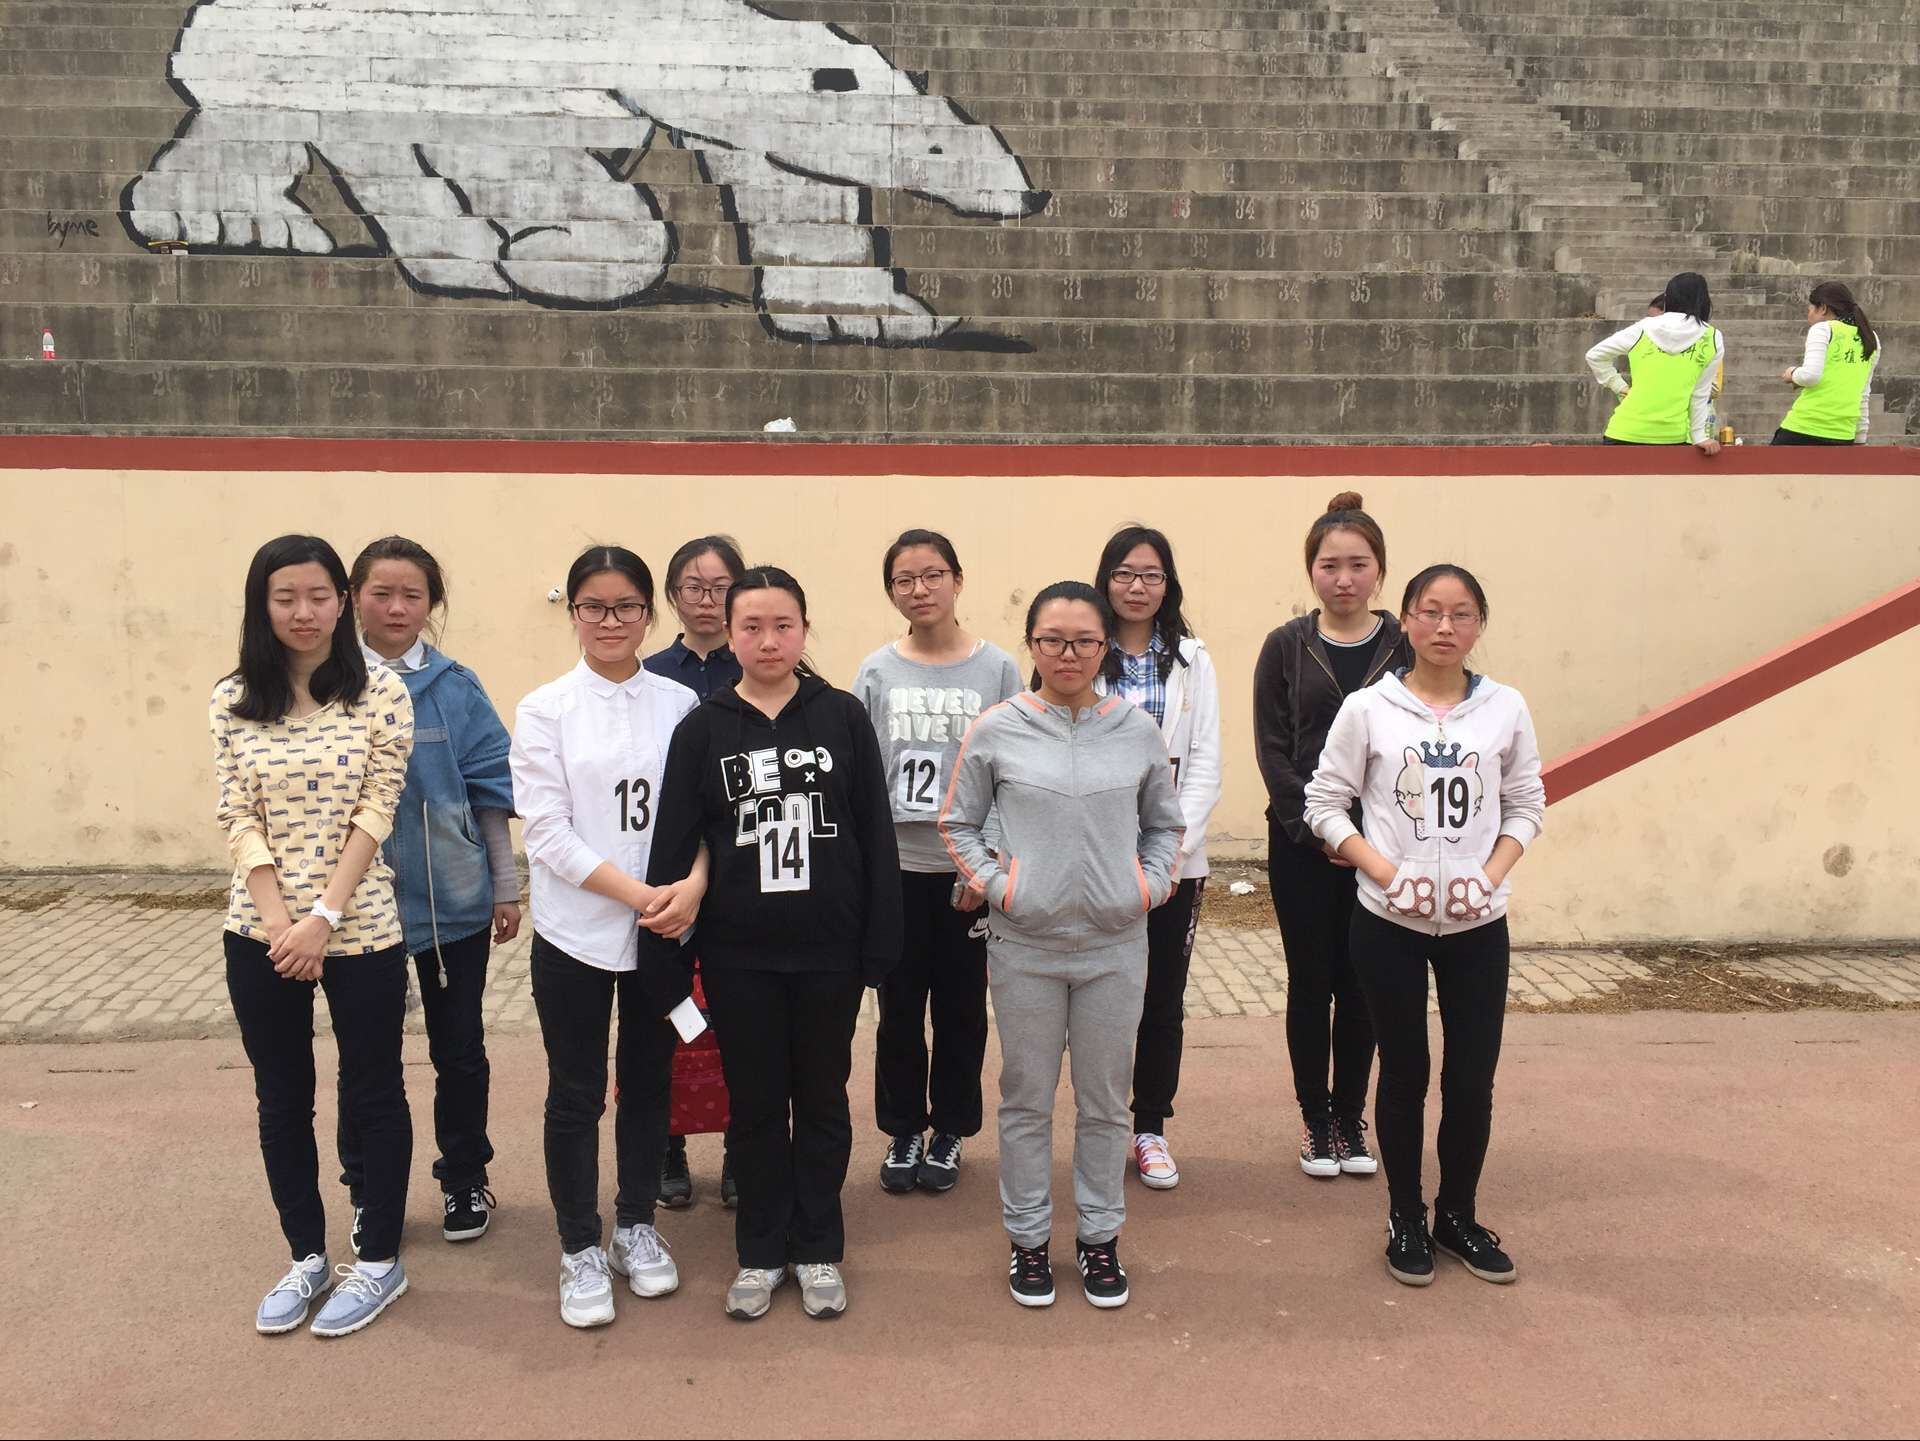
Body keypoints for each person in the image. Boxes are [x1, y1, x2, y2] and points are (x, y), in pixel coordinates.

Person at [644, 566, 903, 1322]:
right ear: (729, 634)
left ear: (804, 630)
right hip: (739, 957)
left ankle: (818, 1247)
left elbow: (874, 834)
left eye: (782, 625)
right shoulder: (703, 728)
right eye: (751, 626)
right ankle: (759, 1251)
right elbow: (677, 842)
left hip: (829, 952)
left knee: (822, 1100)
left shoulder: (842, 716)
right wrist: (670, 958)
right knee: (755, 1107)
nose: (767, 640)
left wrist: (879, 945)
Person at [940, 582, 1185, 1311]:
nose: (1068, 654)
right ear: (1033, 645)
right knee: (1026, 1098)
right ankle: (1028, 1239)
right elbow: (959, 823)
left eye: (1084, 641)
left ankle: (1100, 1237)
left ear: (1106, 646)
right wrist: (1001, 886)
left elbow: (1164, 826)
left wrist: (1146, 887)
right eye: (1052, 640)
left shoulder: (1136, 729)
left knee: (1106, 1102)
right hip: (1024, 946)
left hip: (1116, 946)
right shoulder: (998, 728)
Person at [1304, 565, 1545, 1289]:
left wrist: (1489, 874)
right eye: (1431, 611)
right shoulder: (1368, 708)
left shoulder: (1505, 708)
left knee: (1472, 1077)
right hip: (1388, 922)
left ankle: (1457, 1216)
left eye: (1461, 613)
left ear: (1479, 625)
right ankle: (1405, 1216)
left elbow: (1527, 803)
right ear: (1404, 619)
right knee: (1405, 1072)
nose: (1445, 626)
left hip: (1478, 925)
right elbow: (1324, 802)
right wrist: (1383, 870)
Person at [212, 534, 415, 1338]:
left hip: (360, 925)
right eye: (285, 597)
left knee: (374, 1090)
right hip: (259, 932)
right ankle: (306, 1255)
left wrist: (322, 917)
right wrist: (278, 924)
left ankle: (379, 1260)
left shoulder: (382, 693)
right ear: (262, 605)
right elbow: (237, 813)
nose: (304, 611)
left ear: (342, 601)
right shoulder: (233, 698)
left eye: (319, 595)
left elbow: (377, 808)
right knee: (282, 1095)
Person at [510, 545, 710, 1329]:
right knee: (576, 1091)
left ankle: (635, 1225)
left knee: (649, 1080)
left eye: (626, 605)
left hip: (665, 929)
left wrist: (694, 885)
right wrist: (637, 894)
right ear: (573, 614)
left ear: (648, 613)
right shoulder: (545, 708)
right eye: (594, 606)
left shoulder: (680, 705)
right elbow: (547, 833)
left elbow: (705, 814)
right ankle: (578, 1244)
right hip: (577, 934)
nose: (611, 620)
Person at [341, 536, 517, 1250]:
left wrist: (504, 884)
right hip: (359, 909)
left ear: (431, 603)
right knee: (366, 1059)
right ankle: (369, 1191)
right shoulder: (326, 683)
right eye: (381, 593)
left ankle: (464, 1176)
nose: (396, 607)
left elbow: (490, 789)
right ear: (354, 599)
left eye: (412, 595)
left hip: (455, 904)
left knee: (460, 1050)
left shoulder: (456, 687)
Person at [855, 530, 1022, 1196]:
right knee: (897, 1010)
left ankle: (951, 1128)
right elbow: (861, 776)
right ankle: (903, 1129)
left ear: (957, 579)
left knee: (961, 1010)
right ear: (890, 590)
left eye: (932, 574)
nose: (919, 589)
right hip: (896, 870)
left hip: (966, 873)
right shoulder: (875, 671)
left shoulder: (997, 669)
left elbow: (1013, 772)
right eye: (904, 579)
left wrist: (985, 864)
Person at [1253, 494, 1409, 1181]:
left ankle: (1351, 1116)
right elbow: (1273, 748)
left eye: (1358, 564)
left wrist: (1367, 836)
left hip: (1382, 846)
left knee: (1364, 981)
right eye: (1329, 565)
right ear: (1310, 570)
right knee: (1311, 980)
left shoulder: (1404, 646)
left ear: (1379, 570)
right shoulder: (1286, 645)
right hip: (1303, 845)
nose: (1344, 578)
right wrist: (1319, 827)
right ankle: (1315, 1118)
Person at [1090, 526, 1222, 1191]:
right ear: (1105, 579)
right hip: (1093, 858)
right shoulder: (1082, 648)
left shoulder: (1194, 661)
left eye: (1151, 575)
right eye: (1124, 573)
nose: (1137, 586)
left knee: (1161, 998)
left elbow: (1204, 764)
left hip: (1173, 864)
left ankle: (1149, 1127)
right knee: (1099, 1000)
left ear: (1168, 585)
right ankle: (1100, 1121)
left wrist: (1169, 851)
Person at [644, 534, 747, 1210]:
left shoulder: (762, 665)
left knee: (743, 1018)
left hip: (742, 871)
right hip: (662, 872)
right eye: (693, 586)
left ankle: (744, 1144)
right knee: (665, 1012)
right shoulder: (648, 673)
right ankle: (667, 1144)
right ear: (673, 596)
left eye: (720, 587)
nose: (706, 600)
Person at [1585, 271, 1724, 455]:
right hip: (1674, 437)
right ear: (1704, 301)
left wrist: (1619, 386)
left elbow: (1595, 355)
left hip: (1624, 432)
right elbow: (1700, 393)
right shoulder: (1712, 338)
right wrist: (1699, 436)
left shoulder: (1644, 328)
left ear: (1668, 299)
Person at [1774, 281, 1882, 445]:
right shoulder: (1871, 338)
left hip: (1803, 428)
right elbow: (1863, 394)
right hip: (1843, 436)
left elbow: (1810, 376)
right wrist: (1860, 438)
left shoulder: (1823, 329)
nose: (1808, 315)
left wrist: (1792, 373)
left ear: (1823, 308)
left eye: (1810, 309)